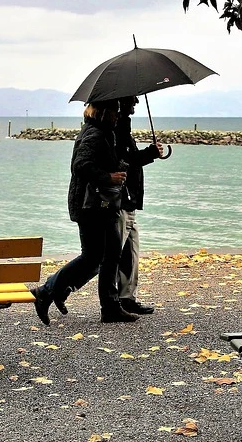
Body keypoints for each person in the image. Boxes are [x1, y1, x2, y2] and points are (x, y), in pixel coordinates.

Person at [30, 99, 140, 324]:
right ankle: (47, 291)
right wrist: (107, 177)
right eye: (114, 111)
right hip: (91, 205)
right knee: (94, 256)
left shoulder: (104, 131)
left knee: (108, 255)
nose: (118, 115)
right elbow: (80, 165)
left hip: (102, 204)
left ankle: (108, 306)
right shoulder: (95, 134)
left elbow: (119, 157)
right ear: (103, 113)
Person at [113, 96, 163, 315]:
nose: (136, 105)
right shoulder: (117, 128)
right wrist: (150, 153)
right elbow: (126, 160)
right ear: (122, 103)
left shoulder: (122, 127)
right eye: (132, 101)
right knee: (112, 254)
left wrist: (149, 153)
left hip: (129, 198)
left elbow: (129, 158)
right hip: (123, 198)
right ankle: (55, 289)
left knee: (130, 251)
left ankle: (126, 296)